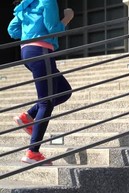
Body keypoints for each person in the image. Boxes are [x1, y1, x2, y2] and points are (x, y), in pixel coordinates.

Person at [7, 0, 74, 165]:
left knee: (64, 90)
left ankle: (28, 116)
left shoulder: (26, 4)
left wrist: (29, 30)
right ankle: (33, 152)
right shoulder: (47, 1)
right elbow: (53, 29)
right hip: (41, 51)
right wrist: (67, 18)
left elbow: (12, 30)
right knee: (47, 101)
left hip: (27, 52)